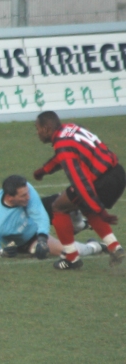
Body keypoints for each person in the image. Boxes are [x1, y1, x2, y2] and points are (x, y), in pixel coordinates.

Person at [33, 111, 126, 270]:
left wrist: (100, 210)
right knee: (84, 206)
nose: (37, 133)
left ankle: (71, 258)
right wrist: (44, 170)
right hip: (118, 173)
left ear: (47, 129)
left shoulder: (62, 146)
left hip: (101, 181)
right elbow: (63, 157)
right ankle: (115, 248)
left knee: (58, 206)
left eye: (38, 128)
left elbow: (80, 181)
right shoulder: (70, 128)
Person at [0, 175, 105, 259]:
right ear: (9, 197)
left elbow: (39, 214)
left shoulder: (26, 189)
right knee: (68, 250)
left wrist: (42, 239)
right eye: (23, 195)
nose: (28, 196)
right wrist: (1, 252)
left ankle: (79, 224)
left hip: (36, 214)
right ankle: (95, 246)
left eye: (27, 193)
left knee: (70, 199)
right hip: (28, 238)